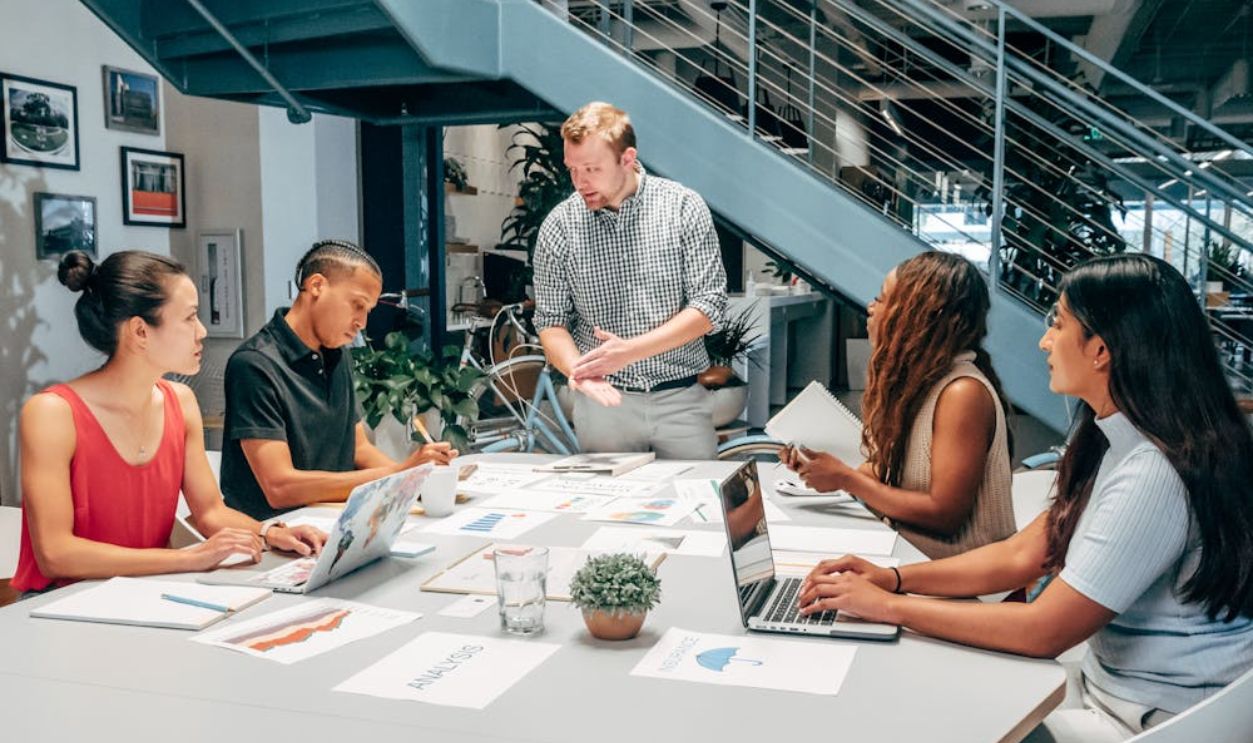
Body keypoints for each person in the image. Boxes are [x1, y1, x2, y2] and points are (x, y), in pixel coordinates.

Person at [798, 254, 1253, 741]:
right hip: (1109, 693)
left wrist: (888, 606)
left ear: (1100, 349)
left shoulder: (1153, 473)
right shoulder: (1117, 443)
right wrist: (891, 579)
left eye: (1058, 324)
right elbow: (1023, 553)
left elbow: (1044, 631)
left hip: (1151, 721)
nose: (1045, 340)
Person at [12, 250, 326, 596]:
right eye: (190, 318)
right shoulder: (51, 414)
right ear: (140, 331)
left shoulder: (181, 401)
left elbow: (210, 512)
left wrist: (270, 534)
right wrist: (189, 559)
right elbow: (56, 555)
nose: (202, 331)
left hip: (147, 595)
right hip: (59, 608)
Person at [781, 251, 1015, 558]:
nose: (871, 308)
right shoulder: (921, 382)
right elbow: (886, 473)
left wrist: (846, 478)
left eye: (881, 299)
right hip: (917, 561)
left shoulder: (962, 393)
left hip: (969, 587)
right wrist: (820, 466)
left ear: (918, 314)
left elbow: (944, 514)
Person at [532, 101, 728, 460]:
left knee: (698, 509)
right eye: (572, 170)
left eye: (592, 169)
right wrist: (579, 370)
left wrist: (630, 351)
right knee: (609, 513)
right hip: (603, 405)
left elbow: (708, 307)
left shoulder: (683, 207)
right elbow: (551, 322)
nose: (580, 183)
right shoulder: (560, 226)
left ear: (627, 158)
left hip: (680, 400)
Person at [221, 239, 456, 521]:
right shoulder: (255, 364)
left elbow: (359, 448)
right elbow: (279, 486)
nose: (362, 322)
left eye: (367, 310)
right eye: (357, 305)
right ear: (317, 285)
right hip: (273, 534)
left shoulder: (336, 356)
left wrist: (414, 480)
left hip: (332, 521)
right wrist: (398, 472)